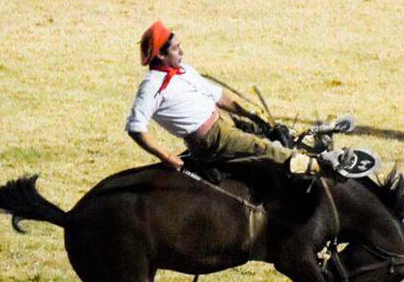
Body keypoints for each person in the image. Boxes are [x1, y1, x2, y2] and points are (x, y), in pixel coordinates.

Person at [125, 21, 322, 176]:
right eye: (176, 49)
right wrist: (167, 157)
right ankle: (316, 166)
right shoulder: (151, 86)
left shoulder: (184, 70)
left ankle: (306, 143)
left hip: (222, 119)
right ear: (160, 54)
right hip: (210, 139)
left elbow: (218, 96)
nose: (182, 52)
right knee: (261, 147)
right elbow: (135, 128)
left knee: (272, 130)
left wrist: (251, 114)